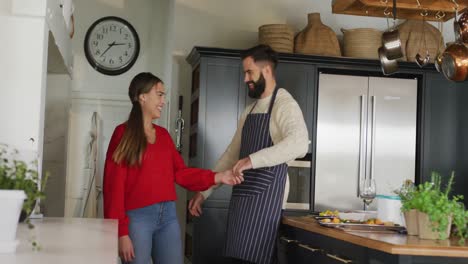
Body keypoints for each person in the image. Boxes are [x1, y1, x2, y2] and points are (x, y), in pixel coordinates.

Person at [103, 72, 243, 264]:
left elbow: (181, 173)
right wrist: (120, 233)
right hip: (137, 219)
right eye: (159, 94)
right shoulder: (122, 133)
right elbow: (113, 188)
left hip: (167, 216)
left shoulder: (163, 135)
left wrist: (219, 177)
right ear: (142, 96)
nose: (163, 100)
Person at [188, 44, 309, 264]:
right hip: (242, 204)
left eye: (249, 72)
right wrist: (203, 192)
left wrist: (252, 160)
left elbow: (300, 143)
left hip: (267, 209)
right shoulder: (250, 111)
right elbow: (230, 156)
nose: (245, 79)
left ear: (267, 71)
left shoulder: (284, 104)